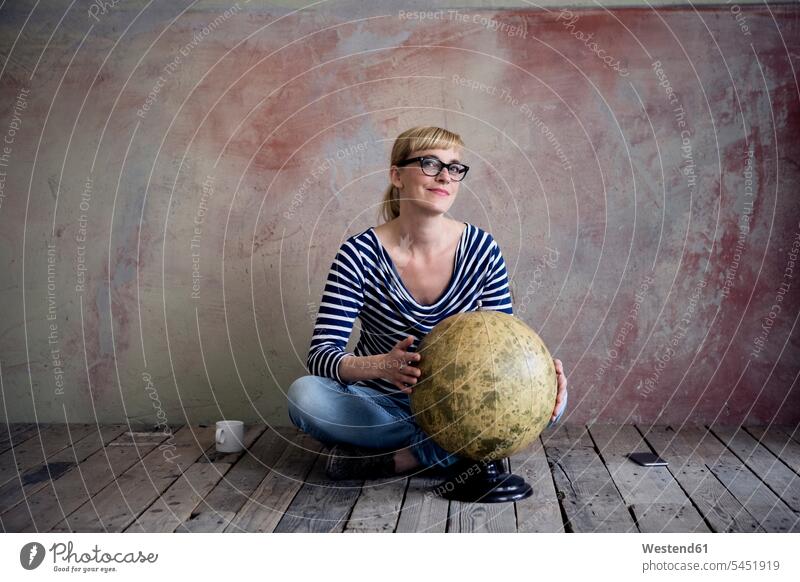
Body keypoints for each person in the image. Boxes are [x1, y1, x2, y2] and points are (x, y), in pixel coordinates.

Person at [287, 126, 568, 481]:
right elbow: (321, 355)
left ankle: (408, 457)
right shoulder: (358, 255)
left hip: (462, 408)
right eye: (430, 163)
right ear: (397, 176)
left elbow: (502, 349)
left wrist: (538, 380)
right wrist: (381, 366)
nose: (445, 176)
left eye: (454, 167)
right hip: (382, 405)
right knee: (305, 397)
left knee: (551, 397)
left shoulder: (482, 250)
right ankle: (452, 453)